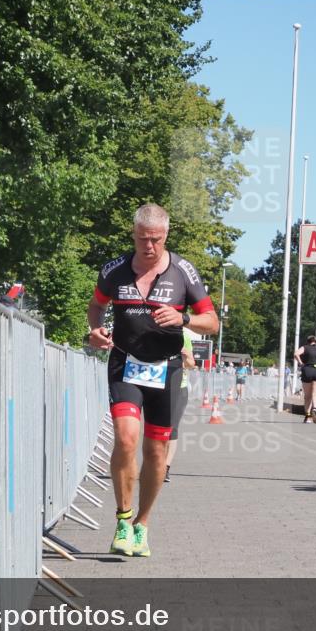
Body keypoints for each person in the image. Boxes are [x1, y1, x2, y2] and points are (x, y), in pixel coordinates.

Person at [87, 203, 219, 557]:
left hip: (168, 367)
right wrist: (95, 329)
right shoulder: (114, 270)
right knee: (125, 438)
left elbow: (212, 322)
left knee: (156, 451)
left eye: (156, 240)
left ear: (166, 235)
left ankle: (142, 525)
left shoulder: (183, 272)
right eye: (143, 239)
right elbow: (96, 305)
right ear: (133, 234)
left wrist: (184, 320)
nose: (149, 246)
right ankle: (123, 519)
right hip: (125, 362)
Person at [165, 327, 198, 483]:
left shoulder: (184, 337)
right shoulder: (154, 332)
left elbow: (191, 364)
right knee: (158, 427)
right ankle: (154, 463)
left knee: (172, 427)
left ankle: (165, 467)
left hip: (179, 387)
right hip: (157, 386)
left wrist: (184, 356)